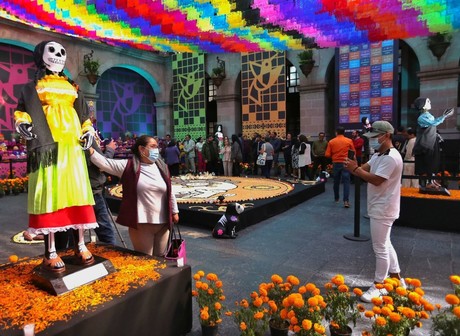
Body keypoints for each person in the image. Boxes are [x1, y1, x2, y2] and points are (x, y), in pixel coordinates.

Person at [14, 41, 97, 272]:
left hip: (72, 147)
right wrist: (22, 123)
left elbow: (84, 116)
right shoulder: (34, 87)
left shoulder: (73, 87)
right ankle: (51, 251)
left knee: (77, 191)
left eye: (62, 52)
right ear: (41, 56)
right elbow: (21, 110)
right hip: (47, 147)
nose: (59, 55)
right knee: (51, 192)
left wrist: (88, 131)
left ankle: (81, 244)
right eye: (53, 51)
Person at [88, 135, 179, 257]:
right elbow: (104, 163)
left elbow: (169, 190)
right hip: (142, 225)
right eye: (152, 146)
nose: (156, 150)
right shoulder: (129, 166)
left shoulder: (162, 167)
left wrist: (174, 211)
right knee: (145, 261)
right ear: (141, 149)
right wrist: (88, 147)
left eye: (157, 147)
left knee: (162, 260)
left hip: (163, 224)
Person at [344, 120, 405, 302]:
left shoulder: (390, 157)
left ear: (387, 135)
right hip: (380, 205)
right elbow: (364, 170)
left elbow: (376, 179)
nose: (373, 140)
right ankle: (396, 279)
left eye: (376, 136)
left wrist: (355, 169)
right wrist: (355, 167)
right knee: (385, 243)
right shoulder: (380, 155)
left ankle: (379, 285)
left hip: (384, 207)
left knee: (380, 248)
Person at [413, 97, 454, 188]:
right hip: (426, 144)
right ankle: (428, 182)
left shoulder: (428, 115)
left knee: (433, 162)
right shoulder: (421, 117)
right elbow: (433, 123)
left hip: (431, 141)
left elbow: (432, 126)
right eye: (428, 101)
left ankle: (431, 181)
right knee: (428, 162)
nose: (430, 102)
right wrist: (444, 116)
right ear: (422, 106)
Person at [86, 139, 118, 245]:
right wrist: (110, 150)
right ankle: (111, 257)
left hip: (78, 188)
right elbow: (102, 163)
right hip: (92, 189)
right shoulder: (85, 135)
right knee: (106, 232)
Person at [325, 126, 355, 208]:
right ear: (344, 132)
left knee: (336, 181)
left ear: (336, 132)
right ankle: (346, 201)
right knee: (346, 182)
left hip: (336, 163)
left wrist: (334, 156)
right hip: (346, 163)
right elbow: (353, 152)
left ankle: (336, 198)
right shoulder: (349, 140)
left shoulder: (331, 141)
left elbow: (327, 154)